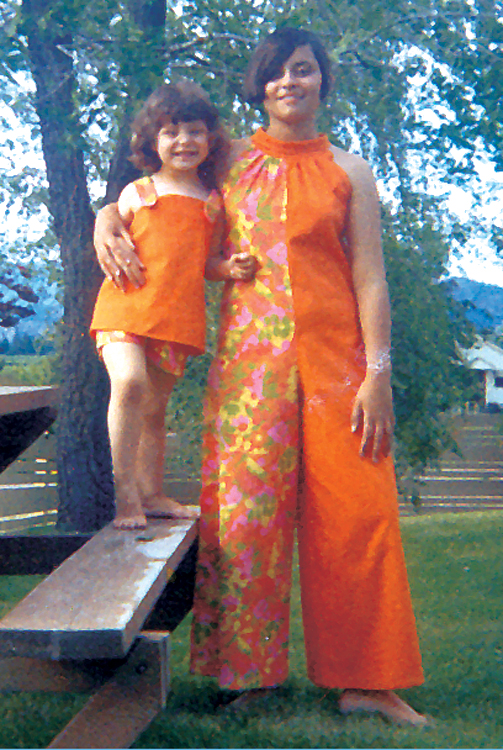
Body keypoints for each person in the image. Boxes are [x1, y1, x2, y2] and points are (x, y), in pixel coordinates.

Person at [94, 29, 428, 725]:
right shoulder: (228, 160)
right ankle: (248, 676)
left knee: (360, 516)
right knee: (246, 519)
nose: (289, 83)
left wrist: (378, 373)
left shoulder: (350, 170)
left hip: (340, 369)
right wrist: (105, 215)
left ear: (322, 80)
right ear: (259, 85)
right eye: (275, 72)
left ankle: (366, 682)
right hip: (251, 367)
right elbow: (161, 190)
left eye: (302, 70)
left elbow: (370, 277)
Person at [90, 80, 256, 529]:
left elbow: (207, 263)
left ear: (210, 139)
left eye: (195, 131)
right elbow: (108, 239)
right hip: (124, 308)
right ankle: (125, 494)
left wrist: (230, 268)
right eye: (171, 131)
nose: (184, 140)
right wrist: (104, 220)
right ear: (152, 141)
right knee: (129, 383)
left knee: (154, 410)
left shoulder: (214, 203)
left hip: (176, 319)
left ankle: (152, 493)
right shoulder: (138, 192)